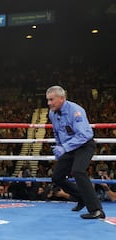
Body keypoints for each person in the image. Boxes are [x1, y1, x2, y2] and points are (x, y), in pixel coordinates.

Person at [46, 85, 105, 219]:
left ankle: (97, 209)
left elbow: (84, 135)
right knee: (57, 177)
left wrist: (64, 147)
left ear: (61, 98)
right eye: (48, 100)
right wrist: (59, 146)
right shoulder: (52, 113)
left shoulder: (76, 111)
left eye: (51, 100)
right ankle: (81, 197)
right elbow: (57, 132)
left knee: (78, 171)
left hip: (84, 145)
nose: (49, 103)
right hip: (69, 147)